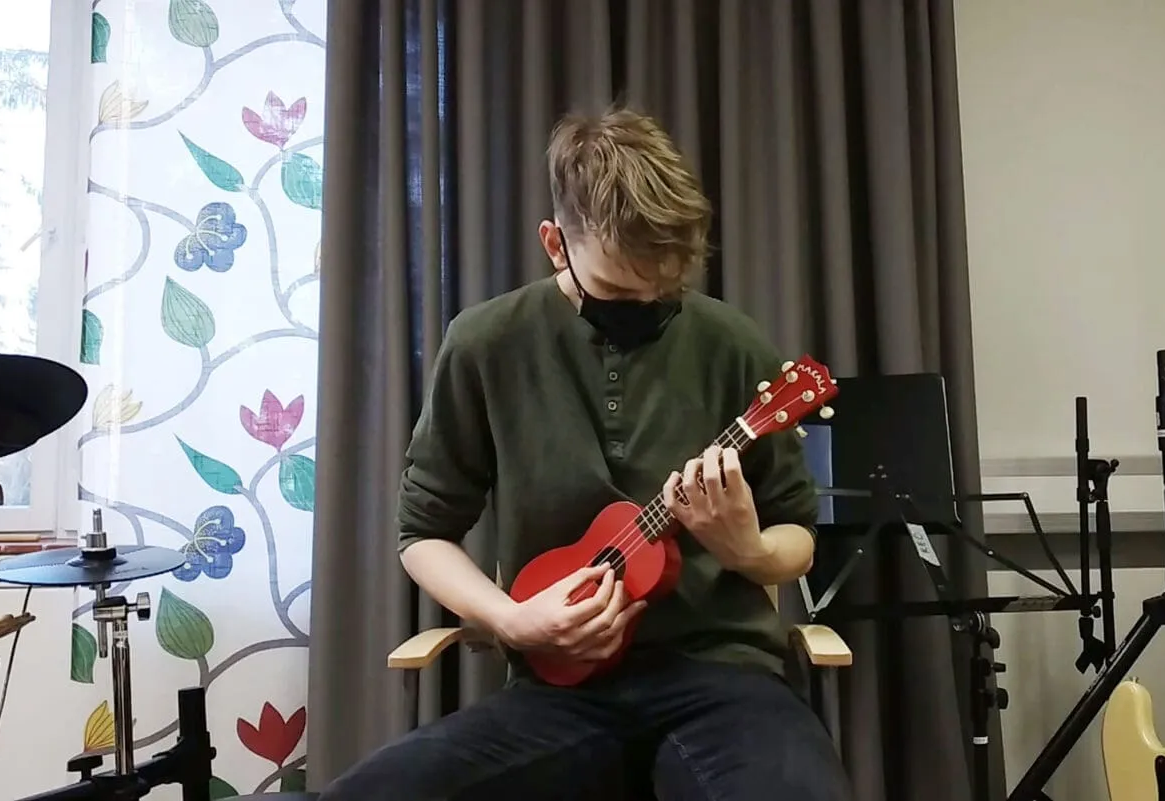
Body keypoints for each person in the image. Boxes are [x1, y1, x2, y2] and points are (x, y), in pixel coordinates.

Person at [319, 106, 852, 801]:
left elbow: (797, 539)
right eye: (620, 291)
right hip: (556, 691)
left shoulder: (733, 343)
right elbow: (422, 534)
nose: (646, 306)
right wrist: (511, 620)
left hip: (723, 679)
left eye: (665, 290)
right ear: (554, 244)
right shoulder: (485, 343)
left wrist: (747, 549)